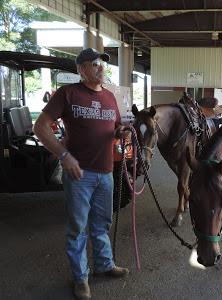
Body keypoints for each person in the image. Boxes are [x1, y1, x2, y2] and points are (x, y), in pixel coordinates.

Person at [33, 48, 130, 300]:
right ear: (81, 69)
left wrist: (122, 132)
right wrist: (63, 156)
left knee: (102, 225)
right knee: (78, 228)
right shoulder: (68, 93)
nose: (100, 67)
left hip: (106, 173)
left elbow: (116, 127)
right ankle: (81, 278)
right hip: (79, 175)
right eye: (94, 63)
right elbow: (40, 127)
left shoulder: (110, 97)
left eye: (102, 64)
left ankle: (104, 265)